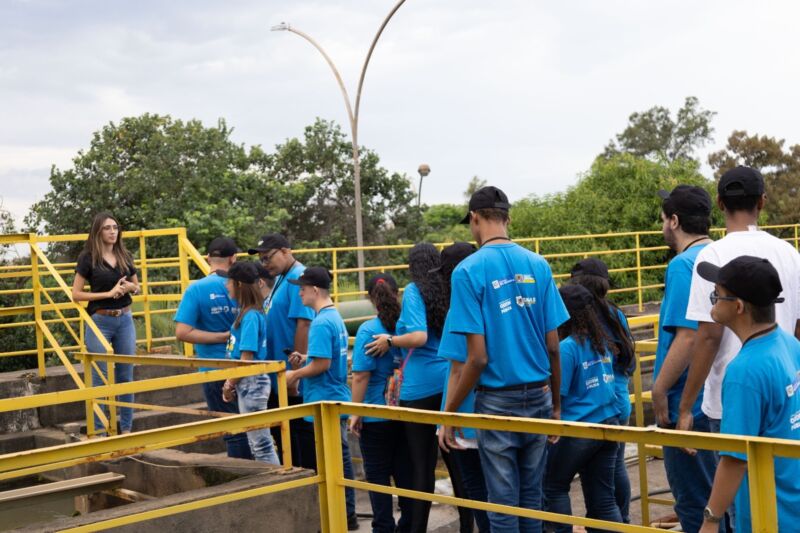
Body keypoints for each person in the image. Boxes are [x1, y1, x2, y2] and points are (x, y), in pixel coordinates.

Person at [441, 186, 569, 533]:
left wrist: (450, 413)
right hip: (540, 394)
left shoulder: (467, 272)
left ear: (475, 219)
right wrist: (556, 406)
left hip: (496, 401)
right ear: (508, 219)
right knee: (531, 499)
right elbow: (554, 347)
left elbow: (477, 358)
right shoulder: (539, 265)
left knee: (501, 506)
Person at [677, 166, 800, 438]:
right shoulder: (790, 254)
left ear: (720, 203)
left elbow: (708, 337)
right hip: (786, 393)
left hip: (730, 398)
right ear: (762, 202)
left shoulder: (712, 255)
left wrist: (686, 407)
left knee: (737, 474)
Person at [695, 256, 800, 533]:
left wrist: (710, 521)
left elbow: (733, 459)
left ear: (738, 307)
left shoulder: (744, 372)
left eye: (717, 295)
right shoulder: (788, 343)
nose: (713, 300)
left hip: (767, 513)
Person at [650, 186, 722, 532]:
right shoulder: (722, 254)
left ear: (674, 221)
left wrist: (658, 389)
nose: (662, 226)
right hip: (715, 395)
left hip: (686, 401)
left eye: (664, 219)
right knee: (721, 499)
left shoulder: (683, 265)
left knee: (694, 503)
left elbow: (688, 334)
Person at [366, 243, 450, 533]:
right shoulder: (447, 290)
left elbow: (417, 336)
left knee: (420, 464)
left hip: (419, 389)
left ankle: (416, 528)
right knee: (458, 465)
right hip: (450, 382)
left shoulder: (415, 290)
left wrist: (390, 340)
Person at [544, 284, 622, 531]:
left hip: (579, 427)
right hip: (608, 424)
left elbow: (560, 393)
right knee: (604, 498)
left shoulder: (567, 347)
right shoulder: (601, 340)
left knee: (553, 487)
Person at [284, 267, 357, 530]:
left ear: (315, 290)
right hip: (333, 393)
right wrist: (307, 358)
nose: (300, 292)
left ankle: (342, 514)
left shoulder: (320, 322)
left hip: (324, 397)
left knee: (333, 459)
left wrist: (295, 375)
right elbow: (325, 358)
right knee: (340, 457)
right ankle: (345, 512)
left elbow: (323, 364)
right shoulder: (333, 317)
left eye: (302, 288)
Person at [568, 257, 634, 524]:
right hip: (618, 398)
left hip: (591, 405)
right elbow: (627, 359)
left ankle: (608, 521)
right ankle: (623, 520)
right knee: (614, 468)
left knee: (594, 477)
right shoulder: (615, 313)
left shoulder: (580, 316)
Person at [174, 236, 252, 459]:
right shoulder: (245, 285)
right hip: (248, 364)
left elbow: (182, 332)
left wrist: (221, 337)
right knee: (256, 426)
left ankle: (244, 477)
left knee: (233, 430)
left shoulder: (196, 289)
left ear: (208, 258)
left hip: (214, 368)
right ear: (233, 258)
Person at [349, 273, 412, 533]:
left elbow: (361, 375)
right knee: (406, 473)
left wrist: (355, 412)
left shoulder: (369, 329)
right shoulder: (410, 326)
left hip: (376, 414)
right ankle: (409, 525)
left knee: (377, 475)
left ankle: (383, 527)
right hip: (407, 411)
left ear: (370, 300)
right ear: (397, 294)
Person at [435, 242, 490, 533]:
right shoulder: (493, 301)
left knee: (479, 494)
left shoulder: (461, 309)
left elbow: (459, 368)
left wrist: (447, 418)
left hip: (468, 420)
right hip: (500, 414)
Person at [249, 233, 316, 467]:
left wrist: (296, 372)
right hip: (278, 372)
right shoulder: (281, 277)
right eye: (262, 260)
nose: (265, 264)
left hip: (291, 376)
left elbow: (304, 324)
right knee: (286, 437)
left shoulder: (298, 277)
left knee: (299, 439)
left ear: (286, 251)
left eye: (268, 258)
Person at [72, 212, 140, 435]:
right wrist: (109, 293)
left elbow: (137, 287)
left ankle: (127, 430)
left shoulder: (124, 255)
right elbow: (76, 294)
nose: (112, 232)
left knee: (125, 374)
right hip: (100, 320)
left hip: (125, 319)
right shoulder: (88, 258)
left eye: (115, 227)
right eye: (107, 228)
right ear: (98, 231)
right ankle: (101, 432)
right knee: (100, 377)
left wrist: (128, 288)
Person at [217, 261, 280, 465]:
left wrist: (229, 384)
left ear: (239, 285)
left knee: (261, 444)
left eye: (229, 282)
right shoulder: (248, 312)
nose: (226, 286)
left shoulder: (251, 315)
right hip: (248, 381)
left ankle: (276, 485)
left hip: (252, 382)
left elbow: (247, 358)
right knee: (257, 443)